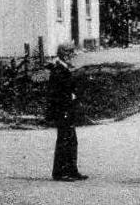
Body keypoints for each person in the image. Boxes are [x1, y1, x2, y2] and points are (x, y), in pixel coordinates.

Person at [47, 41, 87, 182]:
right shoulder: (58, 70)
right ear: (64, 54)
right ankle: (60, 172)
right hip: (62, 109)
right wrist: (68, 101)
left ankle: (71, 170)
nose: (72, 55)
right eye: (70, 53)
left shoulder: (64, 68)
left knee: (71, 140)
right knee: (64, 140)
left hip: (68, 109)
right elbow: (57, 92)